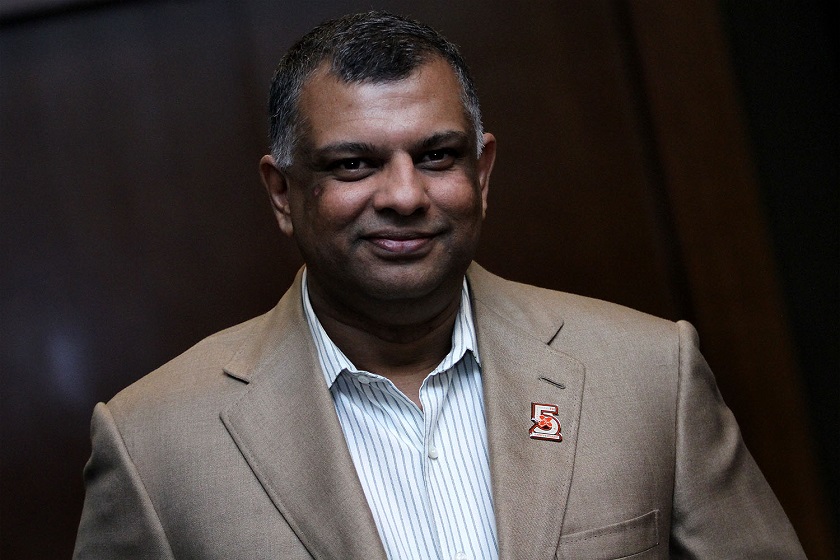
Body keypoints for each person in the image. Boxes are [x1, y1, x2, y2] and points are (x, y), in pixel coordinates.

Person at [73, 11, 806, 560]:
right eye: (353, 164)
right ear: (281, 192)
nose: (403, 195)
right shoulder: (154, 444)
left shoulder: (649, 374)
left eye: (436, 155)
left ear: (481, 174)